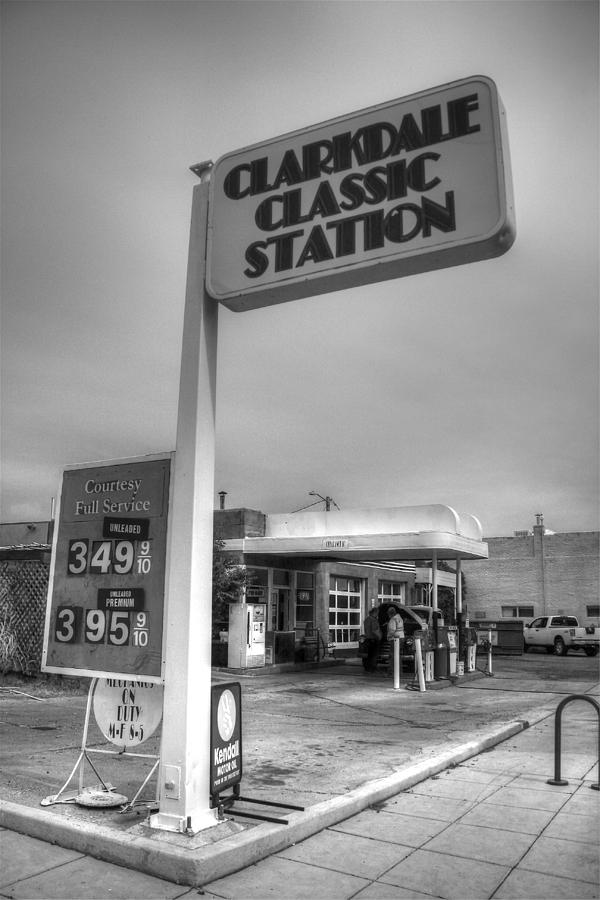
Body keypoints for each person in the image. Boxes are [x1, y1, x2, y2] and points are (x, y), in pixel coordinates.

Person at [362, 606, 382, 672]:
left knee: (367, 655)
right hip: (373, 640)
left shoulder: (367, 619)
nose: (378, 614)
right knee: (373, 655)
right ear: (375, 612)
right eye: (377, 613)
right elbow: (374, 630)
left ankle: (367, 667)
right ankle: (372, 668)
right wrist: (379, 637)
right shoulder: (373, 620)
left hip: (367, 639)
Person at [386, 605, 405, 675]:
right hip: (401, 638)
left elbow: (392, 630)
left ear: (390, 613)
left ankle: (392, 671)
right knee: (398, 655)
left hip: (395, 639)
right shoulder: (400, 618)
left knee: (393, 655)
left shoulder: (393, 619)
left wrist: (388, 636)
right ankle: (400, 671)